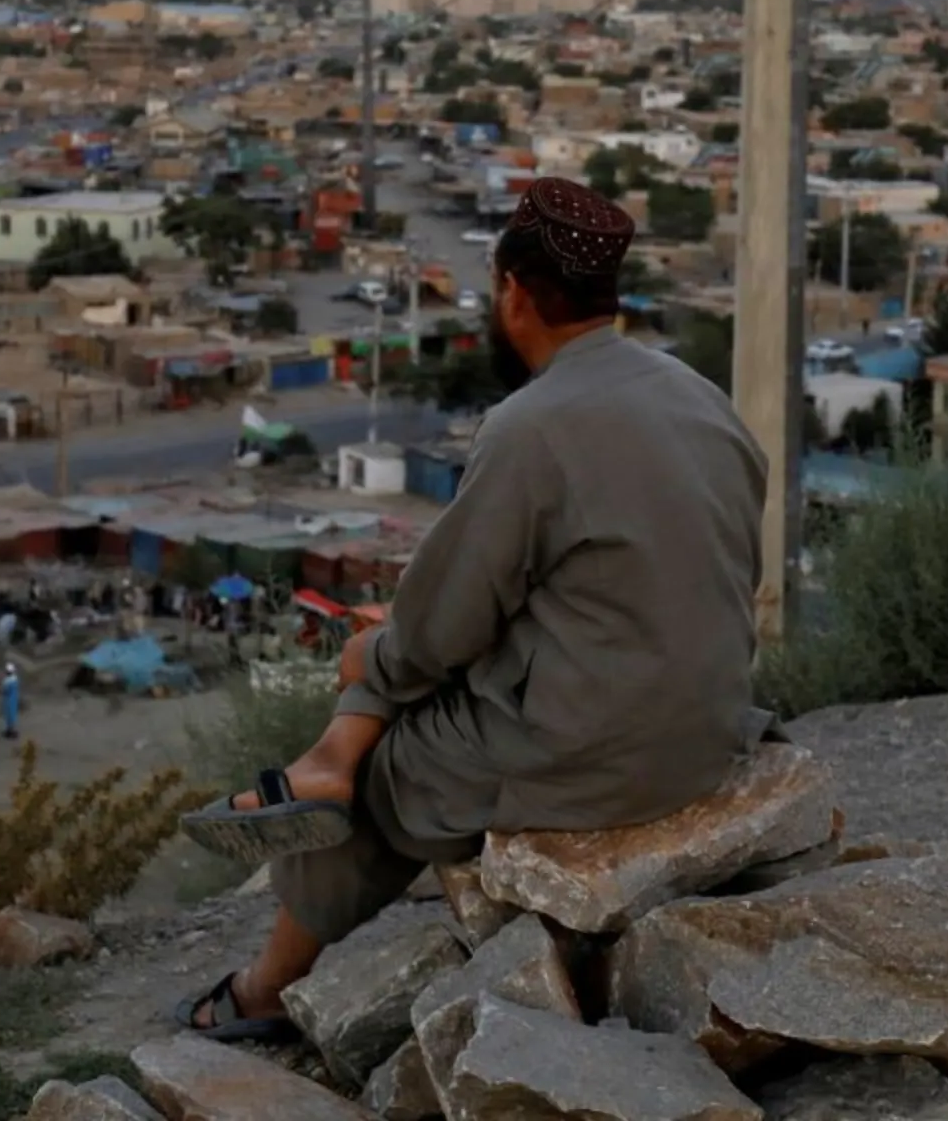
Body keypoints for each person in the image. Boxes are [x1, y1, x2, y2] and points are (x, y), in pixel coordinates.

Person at [175, 178, 769, 1039]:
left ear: (514, 293)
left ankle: (268, 981)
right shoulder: (698, 396)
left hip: (597, 752)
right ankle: (332, 753)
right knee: (400, 645)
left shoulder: (531, 426)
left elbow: (440, 634)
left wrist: (365, 666)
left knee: (385, 751)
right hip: (709, 725)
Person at [0, 663, 22, 741]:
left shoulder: (6, 680)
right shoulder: (15, 678)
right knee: (12, 715)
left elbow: (4, 691)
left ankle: (9, 730)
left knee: (8, 715)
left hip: (7, 699)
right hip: (13, 699)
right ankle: (11, 730)